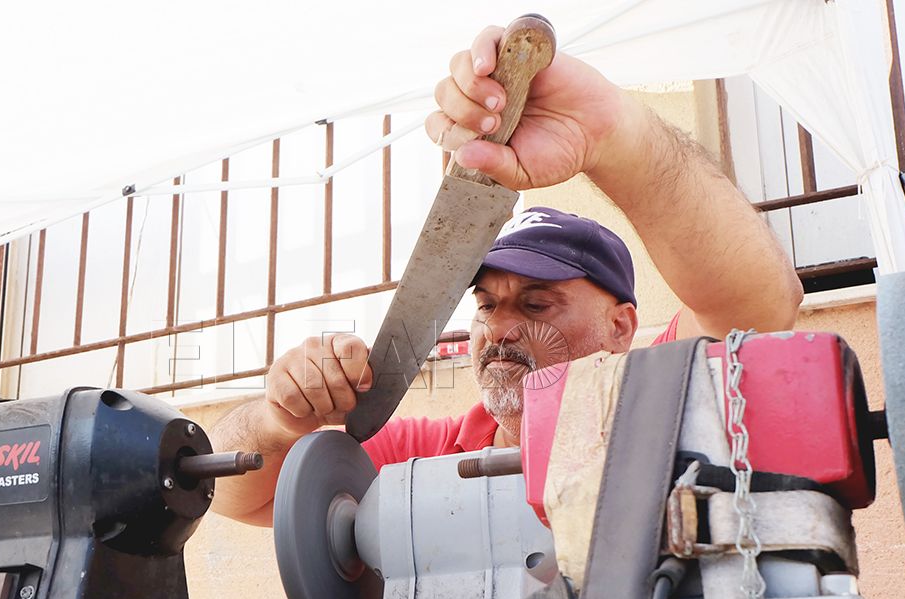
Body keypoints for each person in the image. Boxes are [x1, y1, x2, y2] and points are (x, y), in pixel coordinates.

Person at [209, 25, 802, 526]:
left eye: (537, 305)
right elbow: (236, 496)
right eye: (487, 305)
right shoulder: (425, 452)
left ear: (622, 327)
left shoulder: (664, 402)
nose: (500, 330)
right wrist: (280, 419)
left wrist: (615, 135)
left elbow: (760, 305)